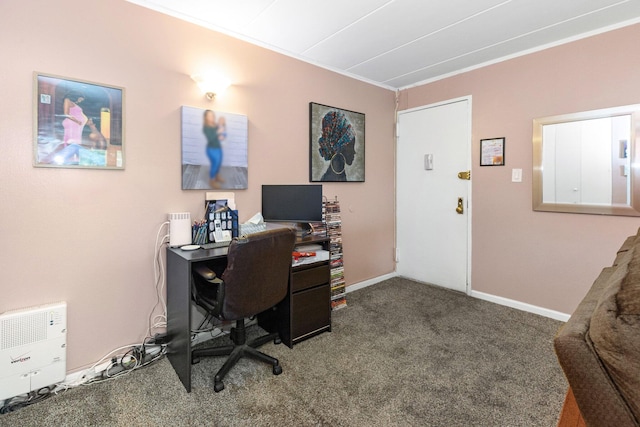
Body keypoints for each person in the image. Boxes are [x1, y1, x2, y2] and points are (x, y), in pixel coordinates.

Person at [317, 110, 356, 181]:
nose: (354, 152)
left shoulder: (339, 176)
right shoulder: (331, 178)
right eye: (351, 146)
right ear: (339, 147)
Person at [203, 110, 223, 188]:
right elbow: (211, 138)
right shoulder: (206, 128)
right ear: (206, 117)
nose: (212, 117)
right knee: (214, 164)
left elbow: (217, 136)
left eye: (212, 115)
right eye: (209, 116)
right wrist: (218, 132)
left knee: (219, 163)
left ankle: (217, 176)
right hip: (211, 149)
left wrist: (220, 135)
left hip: (218, 148)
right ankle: (212, 181)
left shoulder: (215, 125)